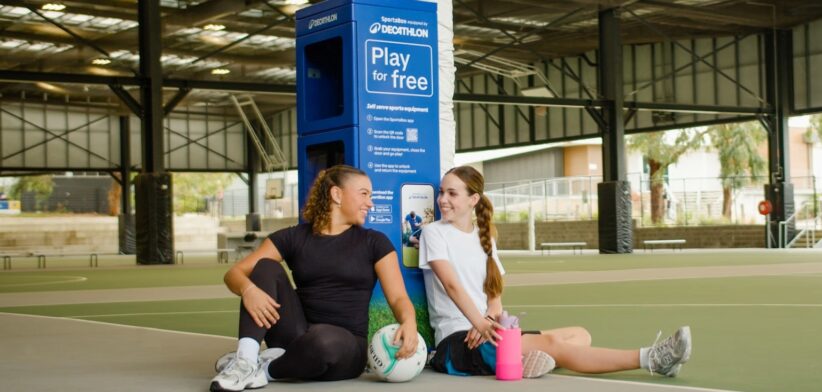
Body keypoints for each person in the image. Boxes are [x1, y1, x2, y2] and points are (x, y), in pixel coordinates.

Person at [419, 166, 692, 379]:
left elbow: (495, 296)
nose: (443, 199)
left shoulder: (485, 237)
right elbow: (452, 286)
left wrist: (489, 320)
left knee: (580, 335)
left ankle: (524, 360)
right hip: (456, 343)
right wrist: (480, 324)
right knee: (554, 344)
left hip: (488, 331)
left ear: (473, 199)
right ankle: (652, 359)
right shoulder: (434, 233)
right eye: (442, 192)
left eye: (452, 193)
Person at [210, 165, 419, 392]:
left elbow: (398, 297)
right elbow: (234, 274)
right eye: (364, 194)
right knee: (265, 266)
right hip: (293, 335)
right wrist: (248, 290)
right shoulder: (294, 237)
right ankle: (246, 361)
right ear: (336, 194)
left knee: (323, 341)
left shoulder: (375, 242)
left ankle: (267, 369)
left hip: (344, 347)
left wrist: (409, 321)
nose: (370, 203)